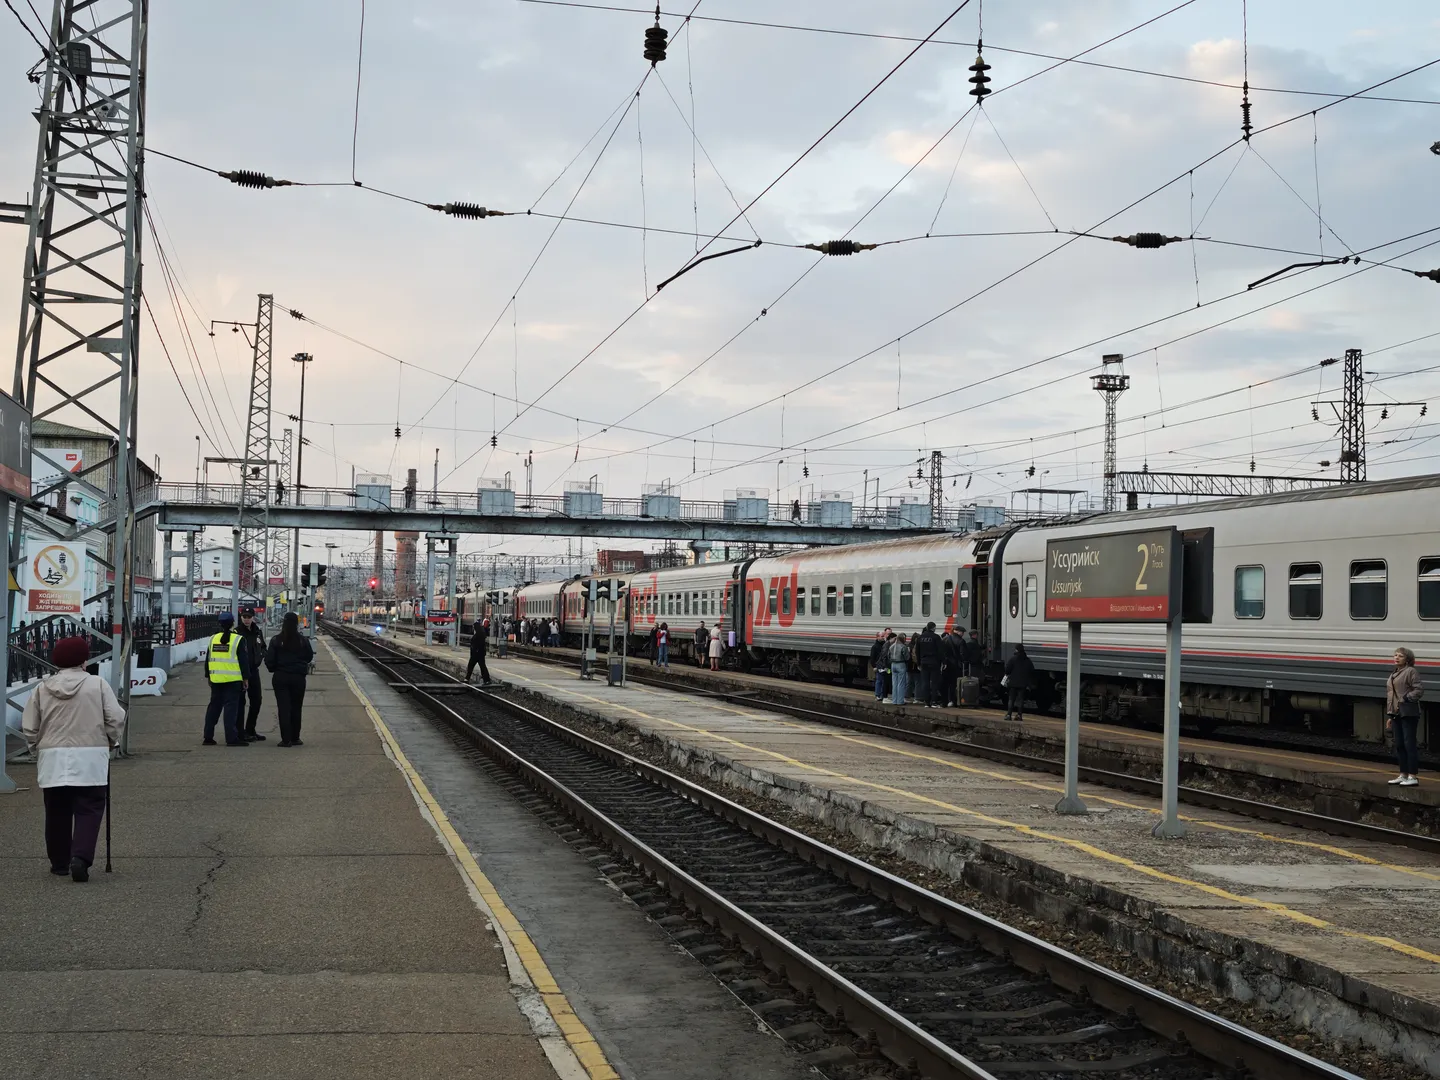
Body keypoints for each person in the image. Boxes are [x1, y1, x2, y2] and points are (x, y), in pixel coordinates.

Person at [21, 636, 125, 882]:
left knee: (56, 810)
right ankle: (81, 858)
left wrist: (36, 747)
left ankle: (59, 863)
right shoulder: (97, 684)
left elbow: (30, 726)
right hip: (90, 756)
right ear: (83, 660)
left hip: (52, 756)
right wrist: (111, 741)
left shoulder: (42, 688)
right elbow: (115, 718)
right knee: (89, 808)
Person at [264, 612, 314, 747]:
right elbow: (309, 657)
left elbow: (270, 660)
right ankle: (295, 737)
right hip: (298, 677)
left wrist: (275, 668)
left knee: (283, 707)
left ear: (284, 623)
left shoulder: (276, 640)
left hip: (281, 677)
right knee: (296, 707)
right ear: (296, 624)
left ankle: (285, 740)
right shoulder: (303, 640)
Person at [202, 612, 250, 746]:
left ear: (219, 623)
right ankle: (231, 738)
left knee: (213, 708)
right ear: (233, 623)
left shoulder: (213, 639)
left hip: (216, 679)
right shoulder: (238, 639)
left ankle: (208, 736)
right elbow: (243, 661)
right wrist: (245, 678)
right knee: (230, 710)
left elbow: (208, 659)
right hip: (233, 680)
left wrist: (208, 676)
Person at [1387, 646, 1425, 787]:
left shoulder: (1411, 672)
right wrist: (1391, 715)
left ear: (1407, 659)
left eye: (1400, 656)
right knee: (1399, 745)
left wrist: (1406, 699)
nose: (1396, 657)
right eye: (1395, 655)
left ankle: (1413, 776)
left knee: (1409, 744)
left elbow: (1419, 689)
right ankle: (1403, 774)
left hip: (1408, 712)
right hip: (1396, 713)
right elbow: (1392, 696)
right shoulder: (1395, 673)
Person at [237, 606, 268, 742]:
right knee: (240, 702)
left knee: (257, 700)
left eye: (249, 617)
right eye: (244, 617)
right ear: (241, 617)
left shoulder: (257, 632)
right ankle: (240, 732)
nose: (246, 619)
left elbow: (263, 647)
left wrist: (262, 656)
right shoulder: (237, 632)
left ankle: (250, 729)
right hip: (240, 672)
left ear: (253, 617)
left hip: (254, 671)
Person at [1003, 643, 1035, 722]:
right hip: (1023, 683)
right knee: (1020, 700)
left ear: (1016, 650)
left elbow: (1007, 670)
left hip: (1013, 683)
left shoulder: (1013, 659)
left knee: (1011, 699)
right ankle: (1019, 715)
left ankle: (1009, 715)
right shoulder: (1028, 660)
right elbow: (1032, 671)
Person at [915, 622, 942, 708]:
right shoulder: (936, 637)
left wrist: (918, 663)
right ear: (933, 628)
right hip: (934, 662)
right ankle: (934, 701)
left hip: (924, 662)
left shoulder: (920, 638)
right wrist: (943, 662)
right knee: (934, 683)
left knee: (925, 683)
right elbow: (940, 651)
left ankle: (926, 702)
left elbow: (917, 652)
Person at [467, 618, 492, 685]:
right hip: (479, 654)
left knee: (471, 666)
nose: (473, 628)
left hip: (476, 654)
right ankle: (487, 680)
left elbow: (478, 644)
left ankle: (467, 679)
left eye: (474, 627)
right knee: (482, 667)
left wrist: (475, 650)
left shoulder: (479, 635)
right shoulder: (481, 633)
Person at [940, 629, 961, 708]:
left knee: (944, 684)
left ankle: (944, 702)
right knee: (952, 684)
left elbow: (941, 653)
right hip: (954, 665)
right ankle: (952, 700)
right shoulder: (958, 641)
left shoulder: (943, 641)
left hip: (945, 665)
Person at [888, 633, 910, 706]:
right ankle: (900, 701)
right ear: (902, 639)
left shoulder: (891, 646)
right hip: (901, 664)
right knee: (901, 683)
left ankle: (894, 700)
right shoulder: (903, 647)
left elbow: (888, 656)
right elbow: (907, 658)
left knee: (894, 683)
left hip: (893, 664)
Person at [870, 630, 891, 702]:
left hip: (885, 666)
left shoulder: (885, 645)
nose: (883, 638)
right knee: (879, 680)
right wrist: (874, 666)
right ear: (877, 637)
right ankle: (878, 695)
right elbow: (872, 658)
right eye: (882, 636)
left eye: (883, 636)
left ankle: (883, 695)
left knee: (884, 681)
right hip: (879, 666)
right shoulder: (875, 647)